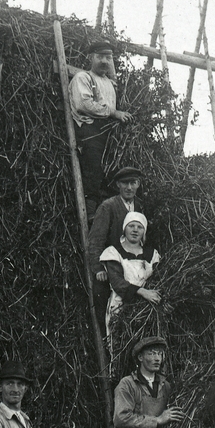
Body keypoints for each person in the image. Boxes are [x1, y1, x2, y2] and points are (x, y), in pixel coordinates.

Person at [68, 39, 130, 213]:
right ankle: (89, 212)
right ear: (91, 58)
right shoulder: (83, 77)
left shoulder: (110, 83)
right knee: (93, 169)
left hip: (107, 131)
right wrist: (113, 113)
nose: (104, 61)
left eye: (108, 58)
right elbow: (84, 105)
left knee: (112, 172)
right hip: (89, 129)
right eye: (100, 57)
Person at [85, 166, 146, 330]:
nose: (129, 188)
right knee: (105, 301)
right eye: (125, 183)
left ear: (138, 184)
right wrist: (98, 268)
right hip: (111, 265)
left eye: (133, 183)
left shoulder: (141, 206)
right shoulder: (108, 207)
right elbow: (96, 239)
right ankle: (106, 342)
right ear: (118, 184)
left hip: (134, 263)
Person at [97, 210, 161, 338]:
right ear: (124, 229)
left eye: (140, 227)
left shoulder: (152, 254)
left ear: (144, 231)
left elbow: (158, 279)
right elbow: (117, 282)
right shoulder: (114, 252)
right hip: (121, 306)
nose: (135, 230)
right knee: (121, 342)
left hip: (146, 307)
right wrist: (143, 292)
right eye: (131, 226)